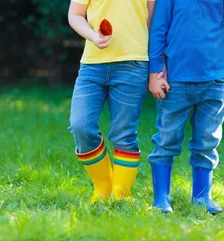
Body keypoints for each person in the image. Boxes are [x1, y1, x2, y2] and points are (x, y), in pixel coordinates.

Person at [147, 0, 224, 214]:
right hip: (175, 80)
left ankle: (202, 198)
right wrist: (155, 71)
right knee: (166, 139)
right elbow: (158, 29)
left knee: (207, 141)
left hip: (213, 80)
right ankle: (161, 200)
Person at [67, 0, 155, 203]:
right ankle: (102, 188)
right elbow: (75, 15)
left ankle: (121, 195)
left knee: (124, 133)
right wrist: (93, 36)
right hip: (92, 65)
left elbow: (151, 21)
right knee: (80, 126)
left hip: (133, 64)